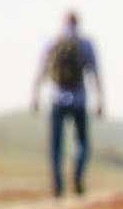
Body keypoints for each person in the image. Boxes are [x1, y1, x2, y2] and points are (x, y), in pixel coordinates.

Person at [31, 11, 104, 196]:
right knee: (82, 143)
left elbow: (41, 71)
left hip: (56, 99)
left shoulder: (53, 42)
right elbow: (95, 73)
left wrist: (35, 96)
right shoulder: (85, 44)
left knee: (56, 145)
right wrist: (100, 100)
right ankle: (77, 176)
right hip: (79, 100)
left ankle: (57, 184)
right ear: (78, 23)